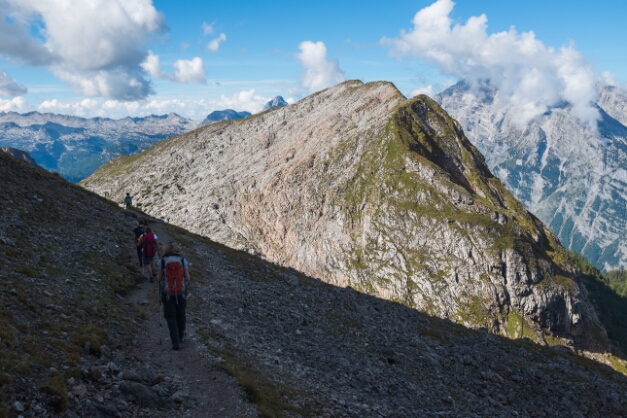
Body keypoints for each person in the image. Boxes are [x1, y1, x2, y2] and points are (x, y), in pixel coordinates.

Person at [157, 241, 190, 350]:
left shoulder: (162, 261)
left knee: (171, 316)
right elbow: (187, 277)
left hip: (167, 292)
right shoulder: (182, 260)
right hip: (181, 291)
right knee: (181, 314)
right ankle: (180, 337)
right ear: (177, 249)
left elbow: (159, 277)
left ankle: (175, 342)